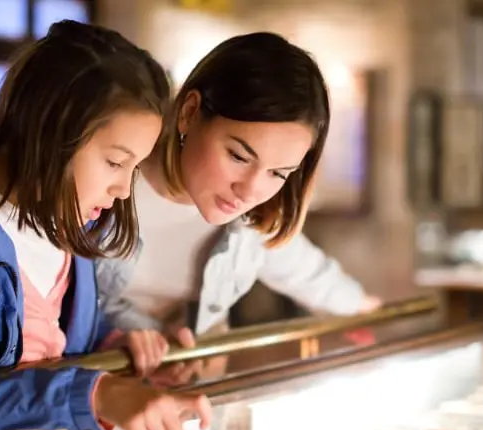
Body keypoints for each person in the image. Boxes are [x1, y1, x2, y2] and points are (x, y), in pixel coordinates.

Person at [0, 21, 211, 430]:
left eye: (134, 168)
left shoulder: (70, 214)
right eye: (115, 162)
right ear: (51, 132)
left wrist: (117, 346)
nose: (124, 190)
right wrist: (96, 394)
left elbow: (52, 330)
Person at [97, 32, 382, 369]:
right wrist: (140, 337)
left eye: (278, 173)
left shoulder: (254, 221)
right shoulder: (103, 190)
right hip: (95, 378)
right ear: (189, 112)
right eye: (238, 156)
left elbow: (307, 272)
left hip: (184, 381)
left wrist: (368, 312)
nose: (249, 191)